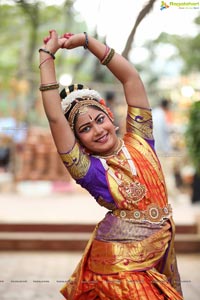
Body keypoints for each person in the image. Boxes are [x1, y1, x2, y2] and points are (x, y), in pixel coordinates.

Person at [39, 30, 183, 300]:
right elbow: (56, 119)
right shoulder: (90, 171)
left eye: (99, 119)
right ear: (78, 142)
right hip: (119, 268)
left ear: (111, 117)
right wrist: (47, 57)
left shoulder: (141, 140)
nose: (97, 129)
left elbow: (131, 78)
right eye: (85, 128)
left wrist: (86, 42)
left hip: (156, 255)